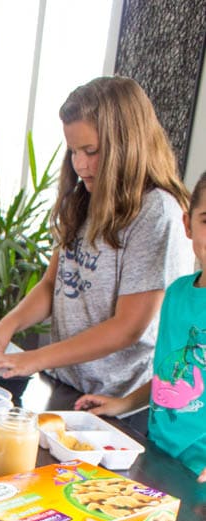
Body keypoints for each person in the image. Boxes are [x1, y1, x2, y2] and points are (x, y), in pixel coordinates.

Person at [0, 77, 194, 400]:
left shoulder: (156, 212)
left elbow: (129, 327)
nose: (80, 164)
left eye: (91, 151)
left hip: (119, 404)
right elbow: (52, 284)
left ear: (126, 145)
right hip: (68, 385)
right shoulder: (85, 196)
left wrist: (32, 359)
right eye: (73, 150)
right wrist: (6, 326)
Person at [74, 172, 206, 482]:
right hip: (159, 456)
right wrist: (124, 403)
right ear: (187, 225)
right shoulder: (176, 293)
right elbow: (170, 373)